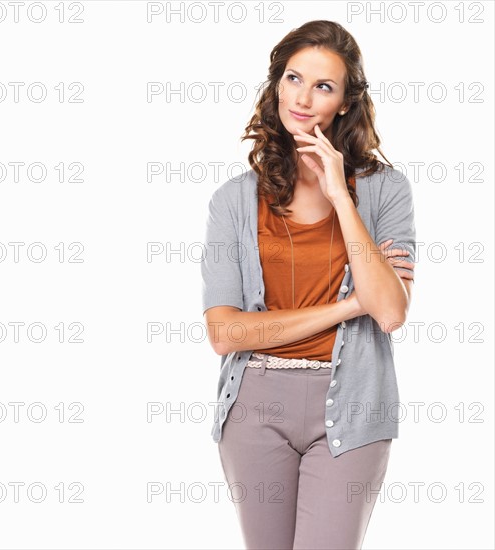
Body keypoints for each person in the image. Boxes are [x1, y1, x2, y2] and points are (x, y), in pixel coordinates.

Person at [201, 20, 417, 550]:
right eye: (294, 78)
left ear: (345, 102)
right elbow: (225, 334)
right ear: (277, 85)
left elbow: (388, 313)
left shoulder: (386, 191)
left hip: (353, 405)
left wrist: (342, 198)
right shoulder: (233, 200)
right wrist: (347, 308)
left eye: (324, 86)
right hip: (255, 405)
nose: (303, 97)